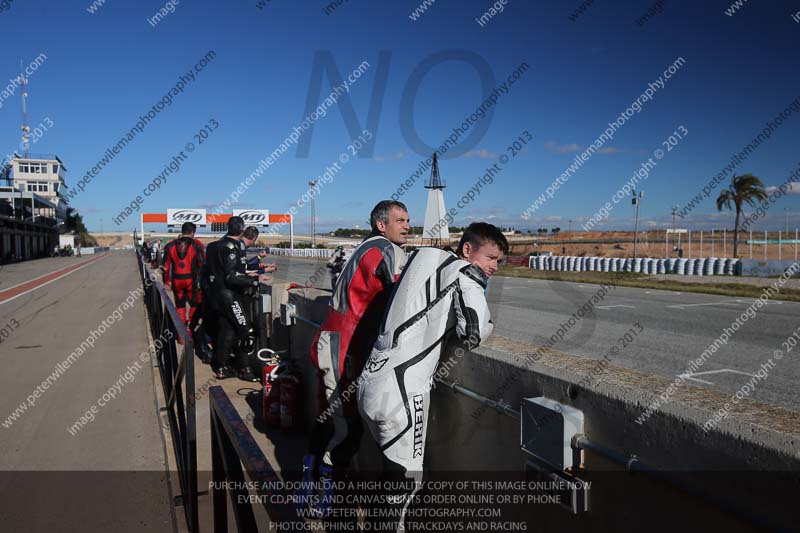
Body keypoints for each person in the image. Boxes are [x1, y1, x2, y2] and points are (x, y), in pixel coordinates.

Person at [357, 222, 507, 530]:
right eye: (491, 257)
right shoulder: (464, 272)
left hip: (371, 380)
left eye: (498, 261)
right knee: (405, 482)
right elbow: (474, 332)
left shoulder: (421, 260)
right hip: (402, 390)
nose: (494, 266)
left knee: (390, 473)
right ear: (467, 250)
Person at [301, 200, 410, 516]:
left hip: (332, 341)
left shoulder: (365, 247)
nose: (407, 225)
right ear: (381, 224)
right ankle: (324, 500)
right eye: (400, 220)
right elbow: (404, 295)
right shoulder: (384, 250)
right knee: (346, 429)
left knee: (328, 422)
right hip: (344, 348)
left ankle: (306, 487)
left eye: (408, 220)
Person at [206, 217, 270, 382]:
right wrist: (254, 280)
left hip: (216, 296)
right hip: (229, 297)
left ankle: (222, 367)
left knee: (227, 331)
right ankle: (245, 369)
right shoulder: (232, 247)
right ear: (242, 230)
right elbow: (231, 276)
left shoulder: (214, 246)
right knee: (246, 330)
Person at [162, 222, 207, 353]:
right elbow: (202, 264)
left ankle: (181, 336)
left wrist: (167, 281)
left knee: (180, 307)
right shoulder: (196, 244)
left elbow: (165, 266)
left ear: (182, 231)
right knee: (195, 305)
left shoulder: (170, 245)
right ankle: (190, 332)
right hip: (192, 281)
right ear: (193, 232)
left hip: (177, 280)